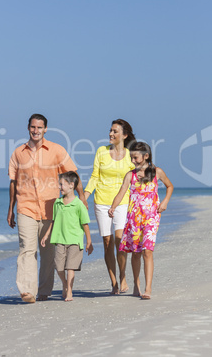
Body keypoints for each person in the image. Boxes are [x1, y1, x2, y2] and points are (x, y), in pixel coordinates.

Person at [7, 114, 87, 303]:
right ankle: (28, 291)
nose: (36, 131)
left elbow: (73, 175)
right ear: (28, 128)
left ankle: (44, 290)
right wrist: (10, 208)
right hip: (25, 207)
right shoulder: (18, 152)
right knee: (26, 249)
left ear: (45, 130)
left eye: (39, 128)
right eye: (33, 127)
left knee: (48, 252)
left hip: (52, 209)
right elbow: (13, 182)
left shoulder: (56, 150)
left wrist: (81, 198)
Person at [108, 141, 173, 300]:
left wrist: (164, 202)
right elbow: (121, 192)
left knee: (147, 251)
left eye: (136, 157)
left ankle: (148, 288)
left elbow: (170, 186)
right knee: (136, 253)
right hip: (134, 219)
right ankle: (136, 285)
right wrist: (113, 207)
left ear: (146, 156)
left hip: (151, 217)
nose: (133, 161)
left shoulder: (157, 172)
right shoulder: (131, 175)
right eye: (131, 157)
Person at [84, 119, 136, 294]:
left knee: (120, 241)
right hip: (102, 201)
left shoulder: (130, 155)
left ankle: (122, 277)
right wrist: (85, 195)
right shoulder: (101, 152)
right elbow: (94, 177)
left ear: (124, 135)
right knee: (107, 242)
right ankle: (113, 281)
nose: (111, 134)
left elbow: (137, 178)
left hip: (122, 201)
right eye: (110, 130)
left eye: (115, 131)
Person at [41, 171, 93, 302]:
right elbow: (53, 221)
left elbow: (85, 224)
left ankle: (69, 291)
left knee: (70, 267)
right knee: (59, 267)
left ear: (71, 185)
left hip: (75, 240)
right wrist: (46, 235)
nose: (59, 187)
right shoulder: (57, 203)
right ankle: (65, 284)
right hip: (59, 240)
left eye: (61, 184)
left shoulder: (79, 204)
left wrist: (89, 242)